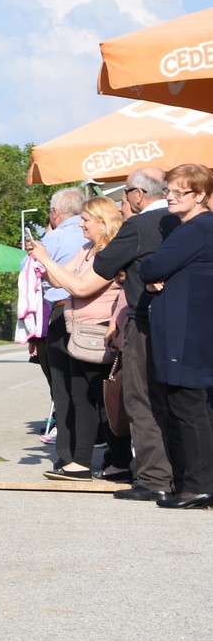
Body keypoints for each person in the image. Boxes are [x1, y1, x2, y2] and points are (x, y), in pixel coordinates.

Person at [90, 168, 178, 501]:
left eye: (125, 194)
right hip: (183, 322)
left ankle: (154, 476)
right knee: (181, 400)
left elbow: (102, 265)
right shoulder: (186, 223)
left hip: (144, 321)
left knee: (141, 397)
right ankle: (181, 471)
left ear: (138, 194)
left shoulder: (140, 226)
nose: (124, 201)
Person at [28, 196, 125, 479]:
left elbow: (81, 287)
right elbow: (60, 280)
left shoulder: (111, 253)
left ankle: (119, 461)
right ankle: (81, 462)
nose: (80, 224)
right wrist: (42, 260)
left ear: (103, 223)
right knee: (80, 395)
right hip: (78, 332)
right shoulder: (86, 249)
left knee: (105, 400)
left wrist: (47, 259)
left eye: (86, 220)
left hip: (100, 332)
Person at [138, 164, 213, 508]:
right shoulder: (196, 228)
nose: (169, 196)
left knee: (188, 407)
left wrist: (154, 273)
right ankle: (193, 483)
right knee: (190, 406)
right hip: (192, 328)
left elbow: (150, 267)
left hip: (186, 332)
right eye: (168, 189)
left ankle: (196, 485)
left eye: (178, 192)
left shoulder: (195, 229)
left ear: (200, 196)